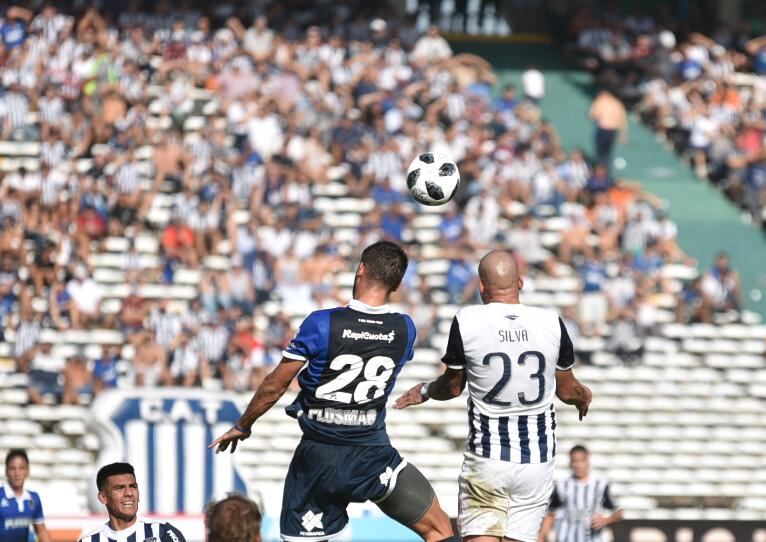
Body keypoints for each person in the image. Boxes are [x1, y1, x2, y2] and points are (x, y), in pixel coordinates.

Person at [210, 241, 458, 542]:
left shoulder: (323, 323)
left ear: (361, 270)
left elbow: (275, 384)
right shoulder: (405, 329)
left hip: (319, 457)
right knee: (441, 530)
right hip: (373, 455)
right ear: (397, 282)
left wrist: (243, 425)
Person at [395, 250, 592, 542]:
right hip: (536, 461)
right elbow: (567, 390)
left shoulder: (467, 320)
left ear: (482, 287)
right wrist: (583, 396)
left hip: (488, 457)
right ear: (521, 282)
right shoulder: (551, 321)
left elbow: (452, 388)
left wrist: (424, 390)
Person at [79, 462, 186, 542]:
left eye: (133, 486)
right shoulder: (89, 540)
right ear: (103, 498)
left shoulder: (163, 533)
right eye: (119, 488)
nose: (129, 493)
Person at [537, 445, 623, 542]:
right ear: (570, 463)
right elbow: (551, 513)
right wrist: (542, 536)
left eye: (581, 461)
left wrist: (605, 520)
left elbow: (618, 513)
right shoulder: (561, 486)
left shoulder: (600, 485)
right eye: (574, 461)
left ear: (587, 462)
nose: (578, 465)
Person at [0, 449, 52, 542]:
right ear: (6, 471)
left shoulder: (33, 498)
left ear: (27, 471)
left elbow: (41, 531)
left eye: (21, 468)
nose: (17, 473)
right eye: (12, 468)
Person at [589, 89, 627, 169]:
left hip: (603, 128)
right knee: (607, 153)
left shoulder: (601, 101)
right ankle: (606, 170)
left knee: (601, 152)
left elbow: (593, 115)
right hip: (613, 130)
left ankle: (601, 170)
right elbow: (622, 119)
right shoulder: (616, 102)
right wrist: (623, 135)